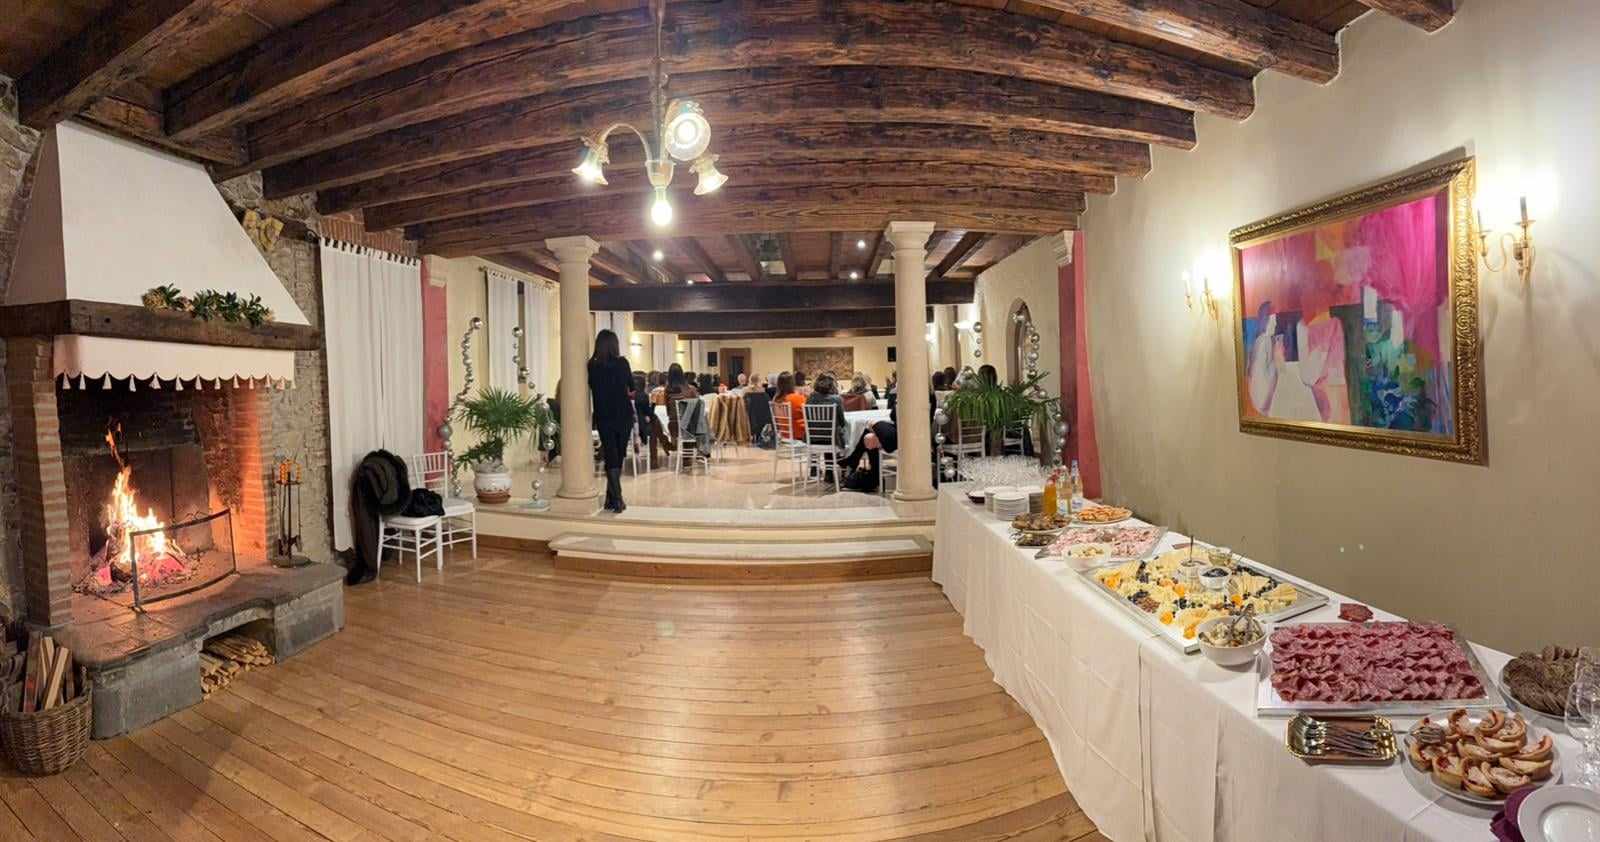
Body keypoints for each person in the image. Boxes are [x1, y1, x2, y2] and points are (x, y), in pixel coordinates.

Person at [588, 330, 634, 513]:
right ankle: (618, 498)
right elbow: (631, 387)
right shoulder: (622, 363)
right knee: (619, 455)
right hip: (624, 415)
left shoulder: (592, 366)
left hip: (604, 416)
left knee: (611, 455)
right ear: (615, 345)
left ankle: (611, 498)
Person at [804, 372, 847, 452]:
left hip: (812, 438)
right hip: (832, 440)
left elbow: (806, 419)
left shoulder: (809, 398)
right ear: (832, 386)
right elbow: (842, 423)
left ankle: (815, 460)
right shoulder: (837, 399)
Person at [664, 363, 700, 440]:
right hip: (690, 425)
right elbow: (698, 406)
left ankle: (674, 443)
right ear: (682, 374)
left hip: (674, 424)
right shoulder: (691, 389)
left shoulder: (667, 390)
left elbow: (668, 410)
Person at [773, 371, 806, 440]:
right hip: (799, 434)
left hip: (783, 434)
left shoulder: (775, 400)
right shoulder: (798, 398)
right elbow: (808, 414)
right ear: (792, 383)